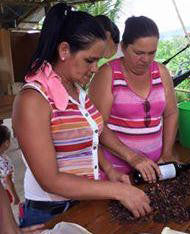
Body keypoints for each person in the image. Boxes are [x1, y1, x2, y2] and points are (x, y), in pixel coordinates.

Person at [12, 3, 152, 227]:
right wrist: (116, 190)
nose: (96, 68)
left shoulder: (77, 91)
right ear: (65, 50)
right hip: (50, 213)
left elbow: (92, 133)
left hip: (82, 202)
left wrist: (110, 170)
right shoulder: (32, 101)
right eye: (90, 60)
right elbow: (50, 180)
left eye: (98, 60)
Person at [89, 16, 178, 183]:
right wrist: (132, 157)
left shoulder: (161, 72)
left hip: (155, 168)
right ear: (123, 47)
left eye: (152, 53)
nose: (146, 60)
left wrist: (167, 153)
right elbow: (97, 126)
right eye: (139, 53)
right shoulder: (108, 74)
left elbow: (171, 113)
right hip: (117, 172)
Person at [0, 124, 20, 205]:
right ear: (7, 142)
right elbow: (7, 180)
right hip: (4, 192)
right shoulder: (4, 161)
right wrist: (15, 196)